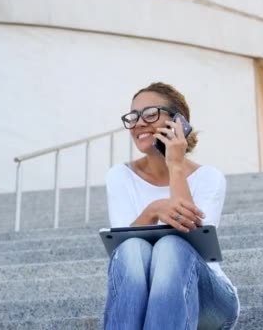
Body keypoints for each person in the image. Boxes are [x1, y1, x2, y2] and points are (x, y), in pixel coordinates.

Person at [103, 82, 240, 329]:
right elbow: (122, 252)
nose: (139, 123)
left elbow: (193, 242)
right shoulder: (119, 176)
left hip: (209, 300)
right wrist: (153, 209)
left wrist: (175, 165)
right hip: (141, 297)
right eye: (133, 116)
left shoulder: (209, 177)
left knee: (172, 245)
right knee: (132, 248)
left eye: (150, 114)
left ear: (178, 122)